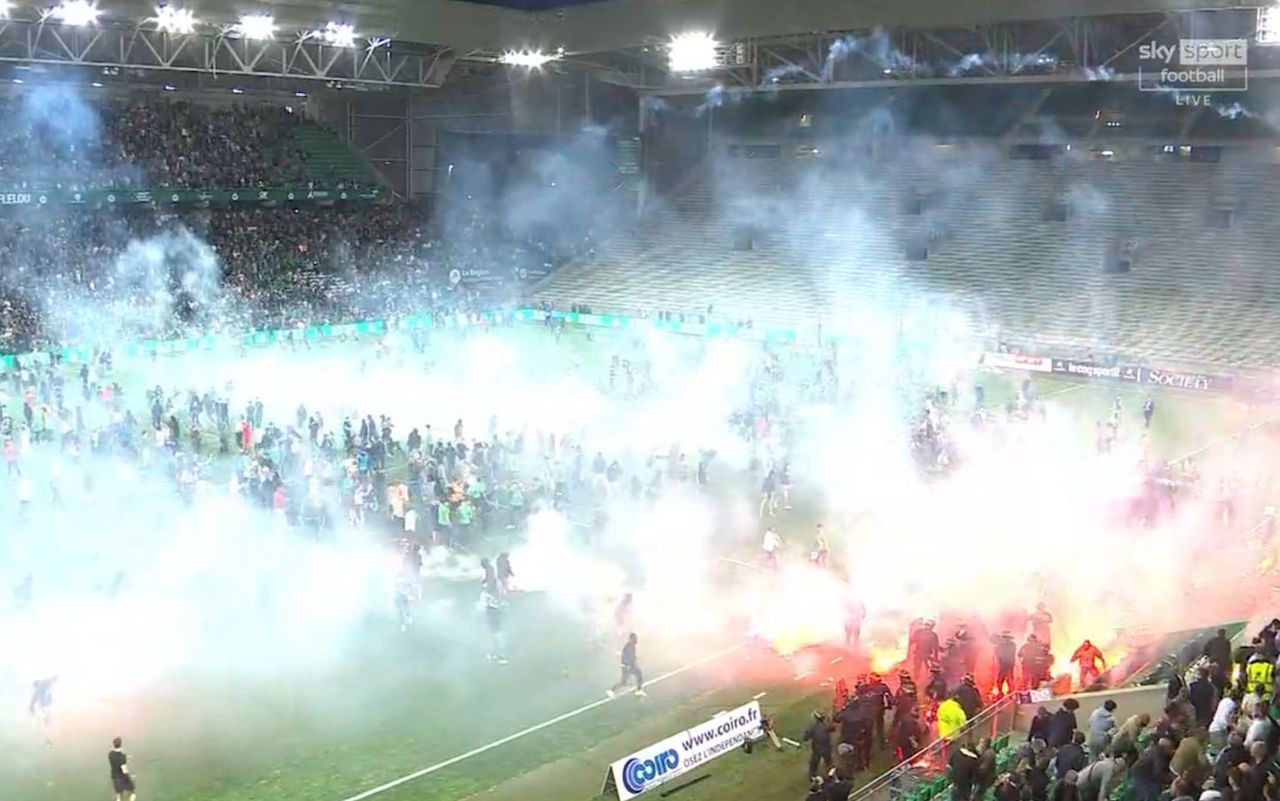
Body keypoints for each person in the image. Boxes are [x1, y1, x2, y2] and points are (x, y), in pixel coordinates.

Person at [608, 633, 645, 698]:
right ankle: (611, 690)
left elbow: (630, 656)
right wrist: (630, 665)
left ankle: (638, 690)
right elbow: (628, 657)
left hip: (628, 666)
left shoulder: (630, 646)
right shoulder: (630, 646)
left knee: (639, 675)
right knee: (624, 682)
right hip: (628, 666)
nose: (637, 640)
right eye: (635, 639)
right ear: (632, 639)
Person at [803, 710, 834, 779]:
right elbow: (832, 728)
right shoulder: (826, 724)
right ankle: (831, 774)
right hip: (827, 746)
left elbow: (806, 737)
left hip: (817, 748)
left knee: (814, 763)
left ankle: (812, 776)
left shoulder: (813, 727)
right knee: (828, 761)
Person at [109, 736, 137, 801]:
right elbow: (124, 770)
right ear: (121, 744)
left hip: (114, 777)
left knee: (118, 794)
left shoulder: (110, 754)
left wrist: (125, 758)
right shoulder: (122, 757)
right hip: (122, 777)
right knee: (132, 791)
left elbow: (116, 760)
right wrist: (131, 776)